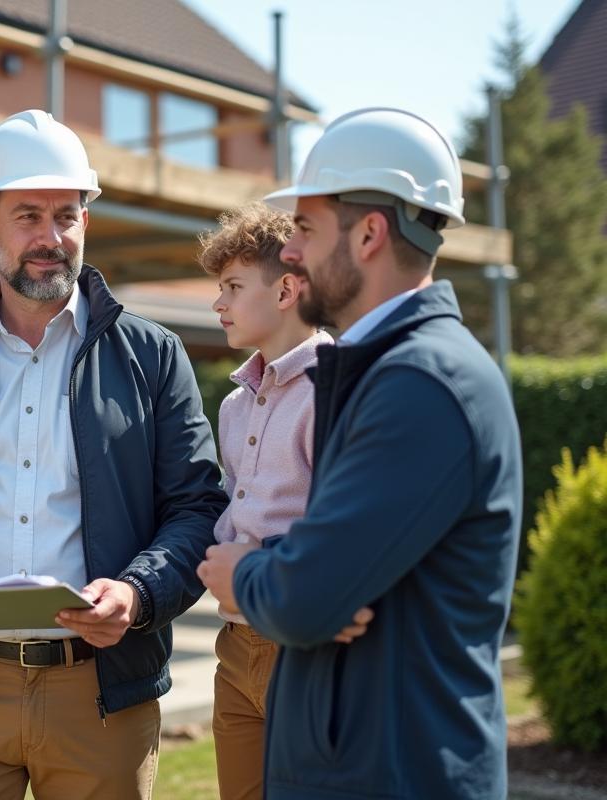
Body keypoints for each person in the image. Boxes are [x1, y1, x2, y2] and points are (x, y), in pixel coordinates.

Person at [0, 109, 229, 800]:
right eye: (27, 215)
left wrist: (139, 590)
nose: (50, 237)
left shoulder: (153, 355)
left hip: (102, 695)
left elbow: (198, 508)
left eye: (66, 215)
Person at [199, 107, 523, 800]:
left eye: (307, 230)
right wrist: (290, 579)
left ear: (370, 234)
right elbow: (316, 580)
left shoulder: (420, 384)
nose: (291, 253)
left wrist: (245, 574)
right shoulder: (386, 372)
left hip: (394, 774)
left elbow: (309, 594)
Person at [198, 202, 333, 800]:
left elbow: (341, 534)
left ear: (285, 289)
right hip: (235, 646)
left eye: (231, 286)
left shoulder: (334, 390)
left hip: (304, 647)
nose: (218, 303)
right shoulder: (234, 406)